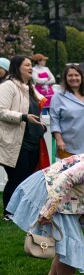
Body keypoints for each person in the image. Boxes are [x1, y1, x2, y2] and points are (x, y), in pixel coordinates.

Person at [1, 55, 47, 219]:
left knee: (27, 178)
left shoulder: (30, 88)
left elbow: (35, 112)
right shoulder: (8, 86)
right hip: (15, 142)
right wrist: (23, 117)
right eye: (27, 65)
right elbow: (1, 111)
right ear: (17, 67)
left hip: (33, 140)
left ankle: (21, 212)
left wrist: (39, 124)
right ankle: (8, 213)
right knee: (17, 177)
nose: (31, 67)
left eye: (31, 65)